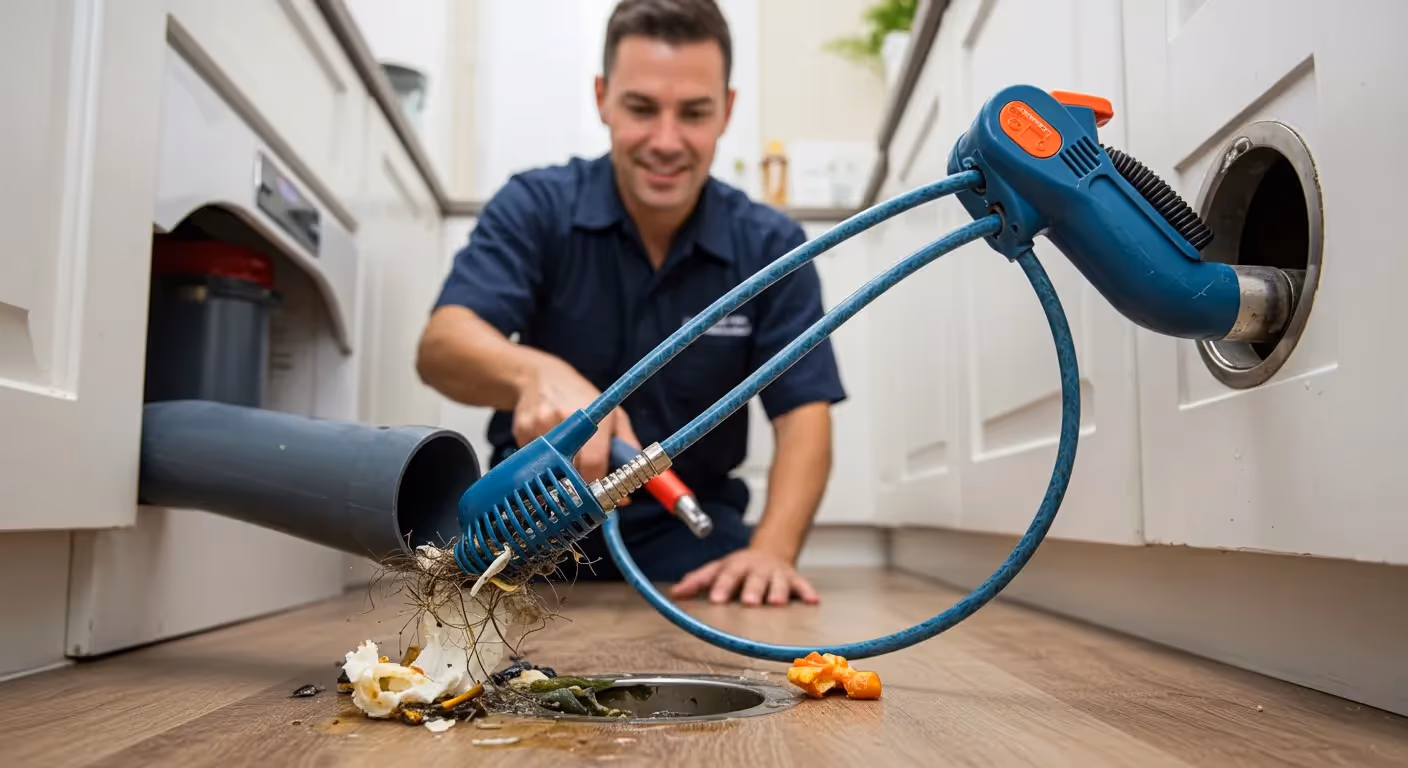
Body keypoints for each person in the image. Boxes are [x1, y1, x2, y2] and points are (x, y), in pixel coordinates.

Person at [416, 0, 845, 607]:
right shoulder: (534, 206)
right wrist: (537, 374)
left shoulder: (771, 246)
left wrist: (772, 552)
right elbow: (442, 345)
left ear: (726, 110)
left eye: (694, 113)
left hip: (695, 553)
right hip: (525, 541)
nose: (666, 141)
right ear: (603, 98)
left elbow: (804, 415)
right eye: (642, 108)